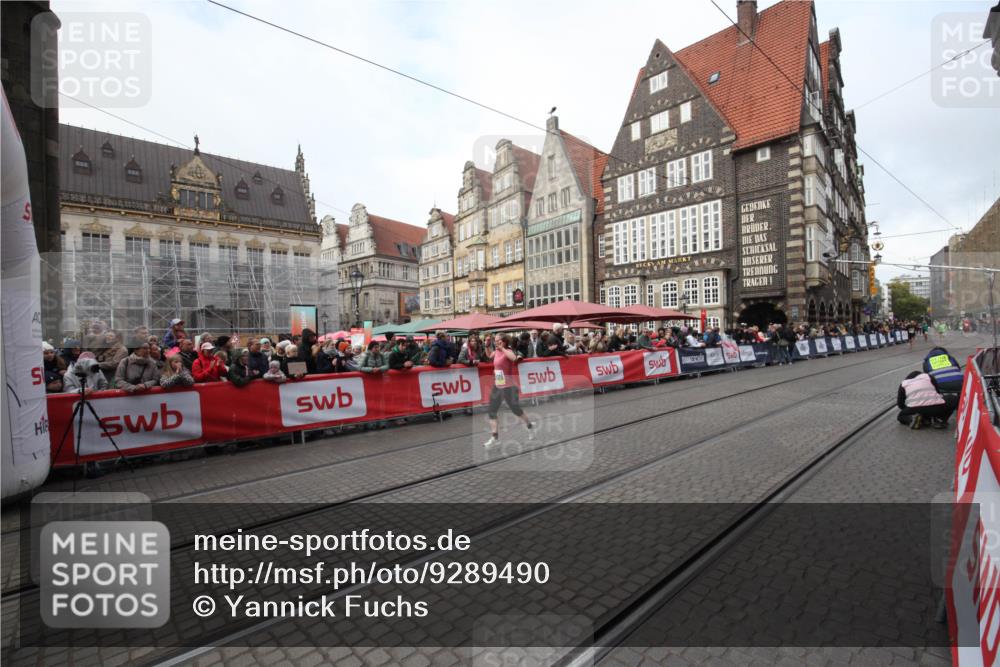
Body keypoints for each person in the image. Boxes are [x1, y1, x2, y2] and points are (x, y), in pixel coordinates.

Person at [483, 333, 536, 448]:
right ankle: (494, 437)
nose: (496, 342)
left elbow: (513, 358)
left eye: (498, 341)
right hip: (498, 385)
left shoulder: (508, 351)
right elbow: (489, 355)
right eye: (495, 340)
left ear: (504, 341)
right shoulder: (496, 351)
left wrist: (502, 348)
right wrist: (487, 346)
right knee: (491, 411)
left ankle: (530, 426)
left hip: (509, 387)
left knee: (516, 410)